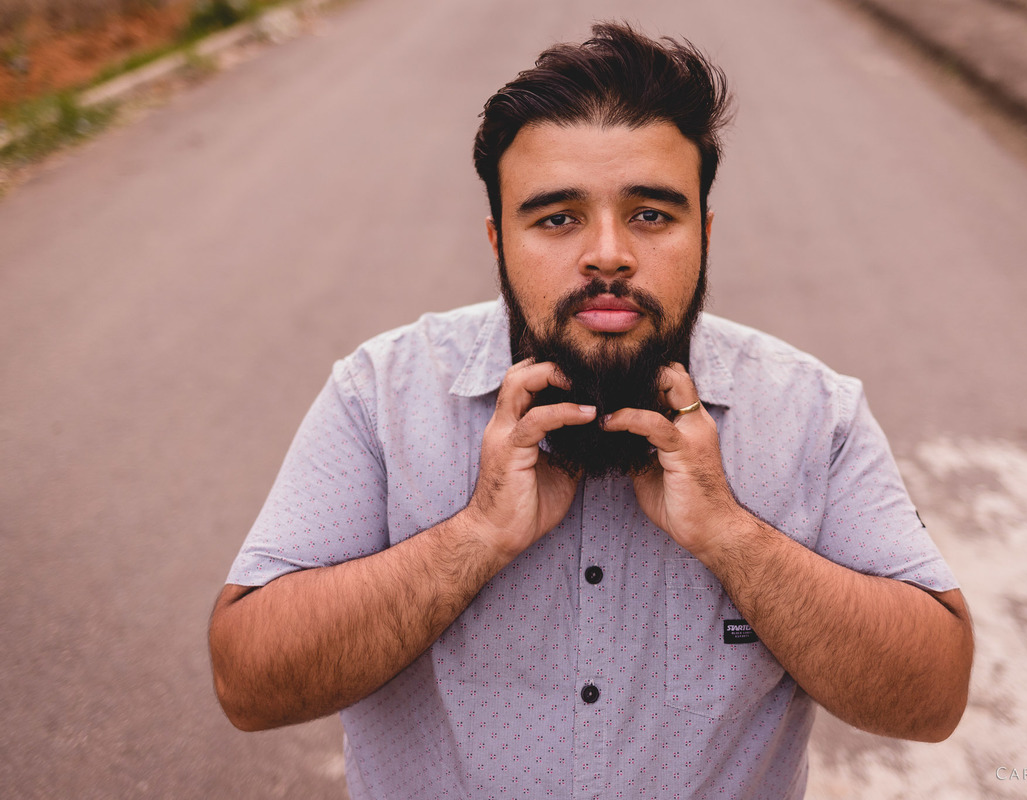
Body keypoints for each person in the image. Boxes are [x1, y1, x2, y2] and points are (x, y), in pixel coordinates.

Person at [209, 22, 973, 799]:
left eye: (650, 215)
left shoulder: (814, 413)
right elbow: (249, 683)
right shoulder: (381, 395)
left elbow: (934, 697)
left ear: (703, 235)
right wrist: (472, 538)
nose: (608, 253)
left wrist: (734, 538)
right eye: (556, 218)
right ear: (498, 240)